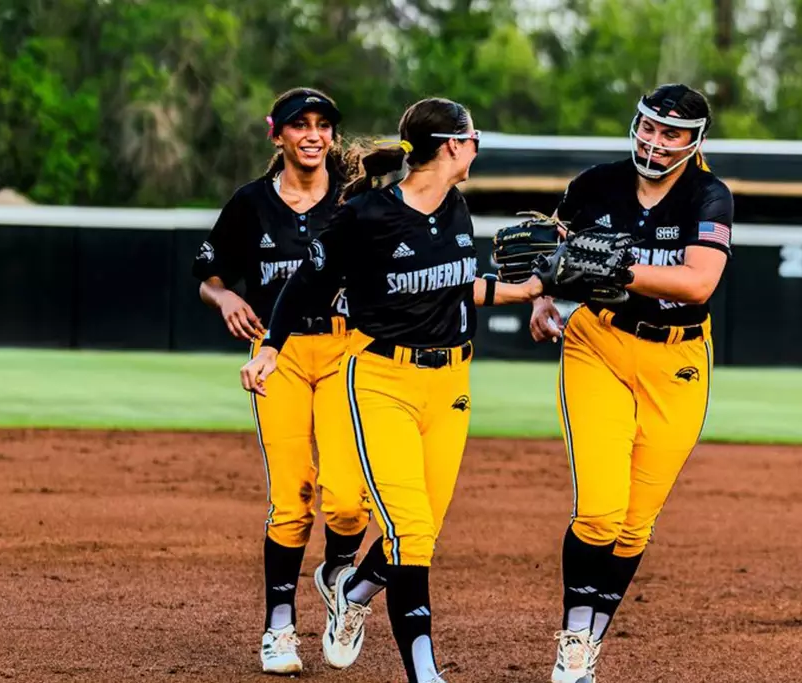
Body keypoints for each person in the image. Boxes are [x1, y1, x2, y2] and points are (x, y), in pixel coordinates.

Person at [242, 97, 545, 683]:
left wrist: (532, 290)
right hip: (382, 380)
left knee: (426, 523)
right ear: (452, 146)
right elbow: (307, 283)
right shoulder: (366, 215)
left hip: (450, 384)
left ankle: (354, 592)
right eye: (473, 137)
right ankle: (424, 671)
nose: (476, 147)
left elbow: (458, 286)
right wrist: (272, 348)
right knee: (412, 531)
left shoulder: (455, 207)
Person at [529, 83, 734, 683]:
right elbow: (554, 252)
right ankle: (573, 642)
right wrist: (541, 297)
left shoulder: (708, 195)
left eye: (671, 133)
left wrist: (620, 267)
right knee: (600, 512)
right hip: (600, 343)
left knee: (635, 522)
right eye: (649, 127)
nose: (655, 140)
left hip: (678, 359)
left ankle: (591, 639)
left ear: (694, 141)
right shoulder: (595, 184)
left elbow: (698, 284)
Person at [193, 87, 371, 675]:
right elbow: (209, 274)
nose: (313, 135)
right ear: (278, 134)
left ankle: (337, 574)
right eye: (300, 125)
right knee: (292, 497)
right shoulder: (251, 203)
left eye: (323, 125)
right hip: (280, 356)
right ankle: (279, 628)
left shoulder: (355, 199)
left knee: (347, 499)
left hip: (347, 351)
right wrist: (224, 297)